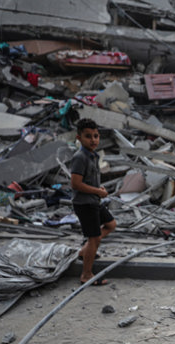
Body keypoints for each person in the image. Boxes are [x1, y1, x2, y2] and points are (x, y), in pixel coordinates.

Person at [70, 118, 116, 286]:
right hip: (85, 203)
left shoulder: (93, 156)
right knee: (93, 238)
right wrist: (98, 191)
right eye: (88, 136)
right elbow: (75, 183)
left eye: (96, 136)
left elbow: (88, 180)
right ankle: (86, 275)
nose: (93, 140)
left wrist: (98, 188)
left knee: (111, 224)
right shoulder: (80, 157)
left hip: (93, 201)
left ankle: (85, 251)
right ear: (79, 138)